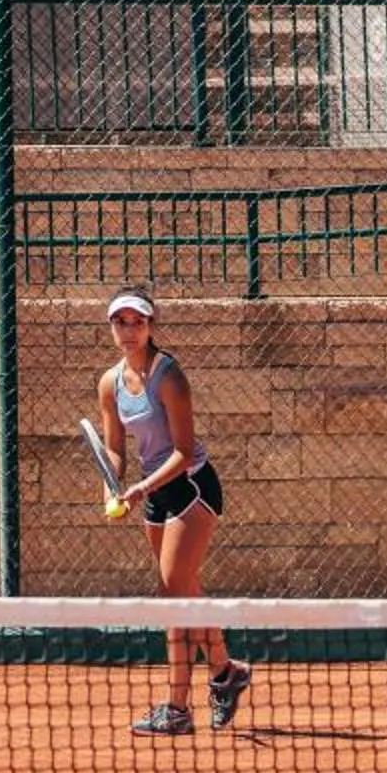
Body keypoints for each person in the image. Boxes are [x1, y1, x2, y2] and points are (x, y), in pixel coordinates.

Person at [96, 290, 252, 738]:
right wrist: (113, 480)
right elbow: (115, 448)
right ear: (112, 327)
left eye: (137, 322)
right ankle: (225, 672)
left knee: (173, 594)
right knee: (181, 589)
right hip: (157, 495)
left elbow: (183, 451)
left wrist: (142, 487)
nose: (129, 331)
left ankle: (178, 708)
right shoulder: (109, 384)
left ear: (150, 325)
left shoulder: (170, 376)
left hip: (191, 486)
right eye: (121, 322)